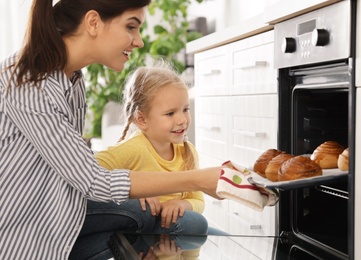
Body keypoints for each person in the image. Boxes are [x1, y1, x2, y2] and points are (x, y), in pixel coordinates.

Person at [0, 0, 226, 259]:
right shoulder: (31, 83)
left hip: (55, 212)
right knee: (143, 215)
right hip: (21, 234)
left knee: (162, 220)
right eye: (131, 27)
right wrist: (198, 178)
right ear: (93, 22)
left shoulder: (72, 81)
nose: (138, 41)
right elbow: (93, 180)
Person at [94, 61, 207, 235]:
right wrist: (132, 193)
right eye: (170, 113)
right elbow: (91, 170)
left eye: (185, 109)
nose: (182, 120)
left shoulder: (187, 151)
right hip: (144, 227)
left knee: (202, 226)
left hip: (176, 228)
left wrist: (181, 204)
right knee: (195, 223)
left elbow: (198, 200)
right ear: (141, 120)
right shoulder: (134, 148)